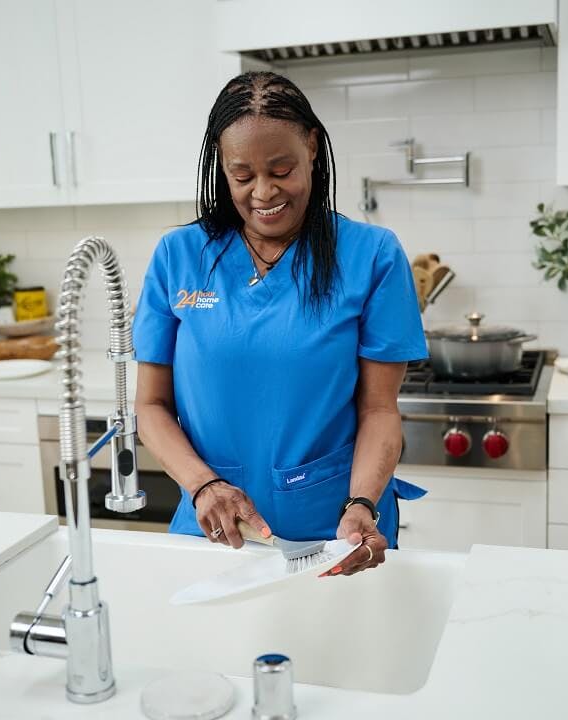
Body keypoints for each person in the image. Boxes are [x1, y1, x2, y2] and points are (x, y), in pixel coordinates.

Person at [132, 71, 426, 577]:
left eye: (282, 169)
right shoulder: (178, 256)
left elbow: (380, 410)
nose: (263, 192)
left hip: (336, 536)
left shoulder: (372, 256)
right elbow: (150, 406)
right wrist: (204, 486)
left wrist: (362, 505)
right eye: (242, 175)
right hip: (214, 534)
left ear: (312, 148)